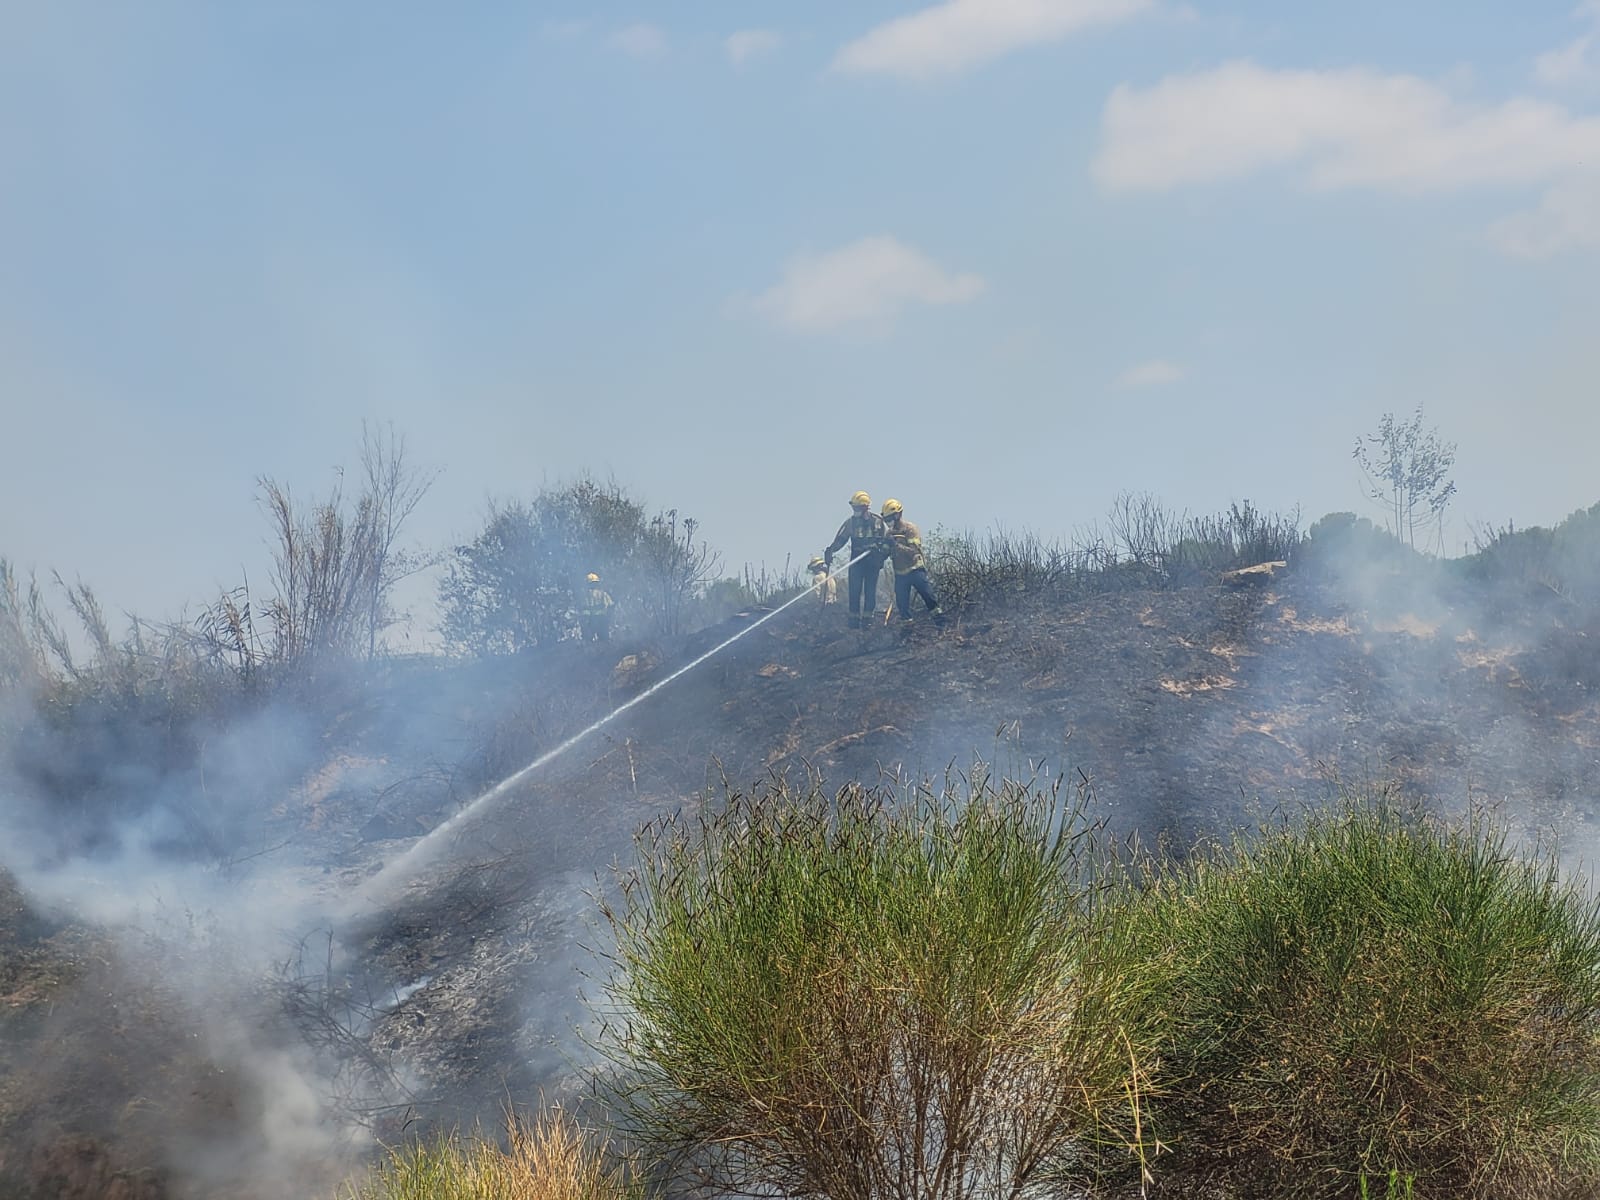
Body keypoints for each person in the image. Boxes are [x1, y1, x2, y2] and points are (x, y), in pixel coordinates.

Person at [824, 491, 891, 629]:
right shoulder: (850, 523)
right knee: (854, 590)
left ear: (865, 507)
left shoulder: (878, 522)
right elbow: (841, 539)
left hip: (872, 562)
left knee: (870, 590)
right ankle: (853, 620)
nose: (854, 511)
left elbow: (888, 541)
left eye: (857, 508)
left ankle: (868, 619)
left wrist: (881, 553)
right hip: (856, 562)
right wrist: (831, 550)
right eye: (854, 508)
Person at [881, 499, 943, 625]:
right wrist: (881, 548)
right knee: (902, 606)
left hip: (915, 571)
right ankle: (908, 631)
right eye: (886, 520)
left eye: (889, 519)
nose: (888, 522)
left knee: (929, 597)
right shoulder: (889, 533)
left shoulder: (910, 529)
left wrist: (896, 545)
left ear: (897, 515)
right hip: (900, 574)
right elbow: (886, 553)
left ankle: (941, 623)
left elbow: (914, 552)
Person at [579, 572, 614, 642]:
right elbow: (611, 605)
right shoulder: (603, 594)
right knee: (604, 640)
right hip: (602, 619)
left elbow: (583, 610)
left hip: (591, 621)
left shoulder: (585, 596)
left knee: (589, 641)